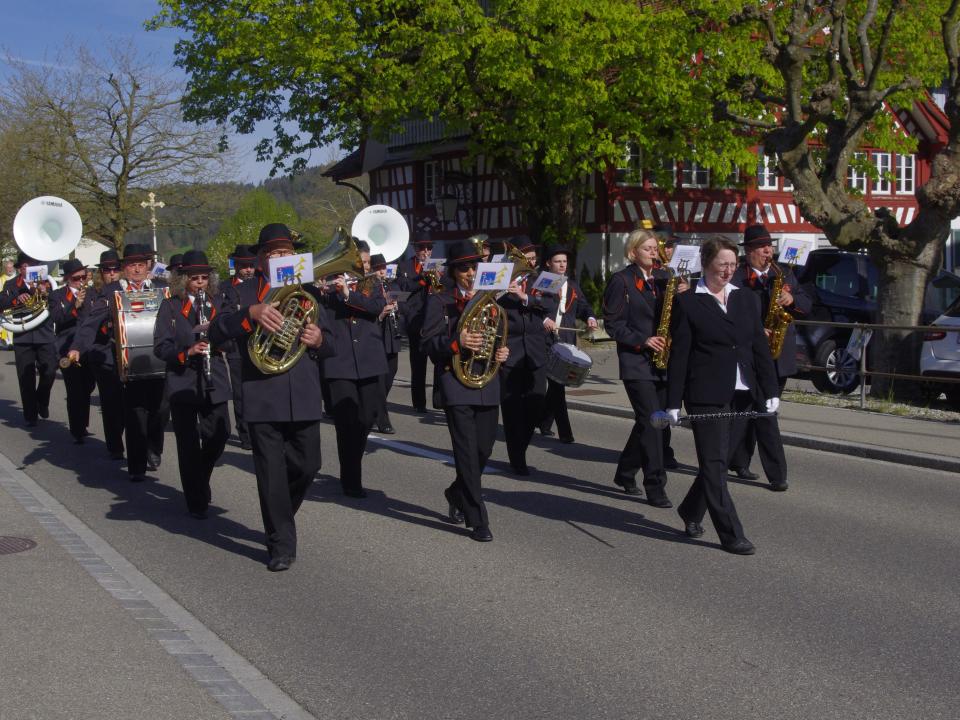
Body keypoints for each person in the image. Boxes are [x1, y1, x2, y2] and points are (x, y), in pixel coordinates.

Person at [209, 223, 332, 571]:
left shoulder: (310, 292)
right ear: (262, 258)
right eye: (275, 253)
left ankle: (280, 518)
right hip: (262, 393)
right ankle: (281, 542)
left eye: (287, 253)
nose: (282, 257)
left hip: (304, 393)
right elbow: (218, 331)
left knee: (309, 465)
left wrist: (319, 339)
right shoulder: (242, 292)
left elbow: (331, 344)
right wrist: (250, 315)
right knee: (271, 473)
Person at [663, 236, 781, 555]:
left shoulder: (746, 300)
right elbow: (680, 356)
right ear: (706, 265)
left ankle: (690, 510)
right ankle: (731, 534)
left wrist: (770, 391)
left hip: (744, 393)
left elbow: (758, 348)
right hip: (706, 393)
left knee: (721, 460)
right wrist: (673, 402)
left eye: (732, 265)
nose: (728, 271)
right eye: (721, 266)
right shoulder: (689, 303)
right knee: (714, 465)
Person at [421, 241, 509, 542]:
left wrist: (500, 352)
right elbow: (429, 345)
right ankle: (477, 519)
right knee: (467, 453)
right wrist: (458, 343)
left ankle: (455, 493)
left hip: (486, 382)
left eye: (474, 267)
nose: (470, 273)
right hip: (455, 382)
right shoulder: (439, 301)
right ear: (453, 272)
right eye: (463, 268)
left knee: (484, 449)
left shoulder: (491, 301)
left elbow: (496, 338)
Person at [68, 244, 170, 481]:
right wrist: (77, 347)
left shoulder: (162, 289)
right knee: (134, 413)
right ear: (124, 268)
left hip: (159, 360)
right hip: (127, 360)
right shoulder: (112, 290)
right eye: (131, 265)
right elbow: (91, 322)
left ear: (148, 267)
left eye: (141, 265)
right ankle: (136, 466)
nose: (136, 269)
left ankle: (154, 447)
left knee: (160, 410)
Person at [726, 224, 809, 491]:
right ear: (749, 251)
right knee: (758, 413)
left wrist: (790, 297)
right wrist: (752, 328)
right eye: (762, 247)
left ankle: (736, 461)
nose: (767, 251)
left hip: (777, 355)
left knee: (757, 411)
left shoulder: (782, 273)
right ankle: (774, 474)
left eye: (769, 246)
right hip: (749, 354)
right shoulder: (736, 276)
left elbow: (807, 303)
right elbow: (727, 311)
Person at [153, 250, 231, 519]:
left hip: (215, 378)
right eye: (195, 278)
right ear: (183, 280)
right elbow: (161, 347)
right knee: (187, 444)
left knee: (219, 435)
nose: (200, 283)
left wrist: (218, 339)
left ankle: (200, 475)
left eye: (204, 278)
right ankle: (195, 500)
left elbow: (233, 338)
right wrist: (187, 352)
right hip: (183, 380)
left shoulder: (218, 302)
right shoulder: (171, 306)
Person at [602, 229, 673, 508]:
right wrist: (642, 340)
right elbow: (613, 324)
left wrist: (683, 293)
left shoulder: (664, 280)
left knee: (655, 421)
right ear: (633, 253)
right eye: (647, 248)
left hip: (663, 360)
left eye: (655, 248)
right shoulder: (621, 281)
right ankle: (655, 485)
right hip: (636, 361)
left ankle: (625, 472)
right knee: (652, 422)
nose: (654, 252)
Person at [320, 241, 387, 498]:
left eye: (368, 263)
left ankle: (352, 463)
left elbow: (375, 307)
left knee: (367, 417)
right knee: (346, 422)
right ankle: (351, 478)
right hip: (340, 362)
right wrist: (328, 290)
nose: (366, 267)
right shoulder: (328, 285)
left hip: (370, 360)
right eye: (361, 262)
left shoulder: (374, 284)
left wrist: (349, 295)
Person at [497, 238, 549, 475]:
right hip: (511, 352)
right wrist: (503, 293)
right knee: (511, 408)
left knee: (536, 404)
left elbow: (551, 302)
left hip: (536, 352)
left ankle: (521, 445)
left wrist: (525, 297)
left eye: (532, 256)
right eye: (526, 256)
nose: (531, 260)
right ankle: (516, 456)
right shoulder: (502, 281)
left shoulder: (542, 280)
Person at [69, 251, 126, 459]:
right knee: (111, 403)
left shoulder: (127, 290)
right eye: (107, 270)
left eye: (115, 269)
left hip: (128, 355)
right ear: (101, 273)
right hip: (102, 354)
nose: (112, 274)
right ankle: (115, 445)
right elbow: (87, 324)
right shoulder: (92, 295)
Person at [538, 246, 598, 443]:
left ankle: (543, 422)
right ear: (548, 263)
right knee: (557, 385)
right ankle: (565, 432)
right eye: (557, 261)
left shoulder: (572, 285)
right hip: (544, 338)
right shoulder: (543, 282)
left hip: (565, 338)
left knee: (557, 383)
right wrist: (545, 320)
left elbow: (583, 305)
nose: (562, 265)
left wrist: (589, 317)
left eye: (564, 261)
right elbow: (534, 307)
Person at [0, 253, 58, 427]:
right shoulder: (12, 284)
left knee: (49, 372)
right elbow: (1, 302)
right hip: (23, 336)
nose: (29, 269)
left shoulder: (47, 282)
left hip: (44, 333)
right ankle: (30, 414)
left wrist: (44, 293)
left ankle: (42, 399)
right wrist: (15, 299)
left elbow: (57, 304)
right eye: (25, 266)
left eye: (32, 265)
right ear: (20, 269)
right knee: (25, 377)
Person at [49, 259, 96, 443]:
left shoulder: (93, 294)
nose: (81, 281)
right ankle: (78, 429)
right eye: (77, 278)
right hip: (67, 347)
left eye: (84, 277)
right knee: (75, 389)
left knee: (88, 386)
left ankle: (81, 421)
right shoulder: (57, 295)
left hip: (88, 347)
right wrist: (74, 305)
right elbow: (57, 318)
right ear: (68, 279)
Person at [396, 236, 436, 412]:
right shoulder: (404, 266)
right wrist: (421, 279)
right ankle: (419, 403)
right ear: (415, 249)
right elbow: (403, 289)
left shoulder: (437, 265)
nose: (426, 252)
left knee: (441, 362)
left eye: (428, 248)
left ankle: (440, 400)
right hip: (415, 320)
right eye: (422, 248)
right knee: (418, 364)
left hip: (433, 320)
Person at [223, 244, 257, 450]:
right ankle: (245, 433)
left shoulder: (261, 284)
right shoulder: (226, 288)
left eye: (251, 265)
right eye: (244, 266)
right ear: (236, 266)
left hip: (259, 343)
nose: (249, 270)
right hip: (237, 345)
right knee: (240, 392)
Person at [370, 253, 401, 434]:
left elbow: (406, 306)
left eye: (383, 267)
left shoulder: (390, 285)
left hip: (392, 337)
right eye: (378, 268)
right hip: (377, 337)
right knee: (380, 382)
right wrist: (380, 314)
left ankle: (373, 410)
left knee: (390, 376)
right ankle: (382, 420)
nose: (382, 271)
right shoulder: (369, 288)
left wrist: (397, 307)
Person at [0, 258, 16, 349]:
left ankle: (13, 343)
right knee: (7, 325)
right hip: (6, 307)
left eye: (11, 267)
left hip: (17, 307)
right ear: (5, 269)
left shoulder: (17, 277)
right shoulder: (1, 279)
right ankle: (8, 343)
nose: (10, 269)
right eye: (8, 268)